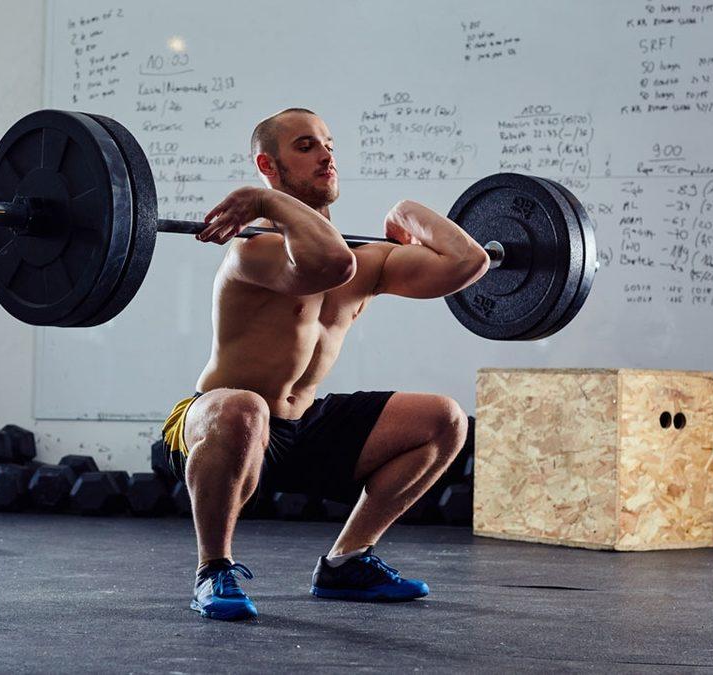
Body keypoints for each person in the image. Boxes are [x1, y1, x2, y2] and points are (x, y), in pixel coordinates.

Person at [160, 108, 490, 620]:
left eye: (329, 144)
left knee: (443, 420)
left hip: (301, 425)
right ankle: (213, 570)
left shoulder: (370, 261)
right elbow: (328, 264)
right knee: (244, 408)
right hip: (222, 423)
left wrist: (407, 212)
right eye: (306, 146)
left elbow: (468, 263)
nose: (326, 154)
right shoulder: (255, 251)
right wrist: (269, 202)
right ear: (267, 164)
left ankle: (347, 561)